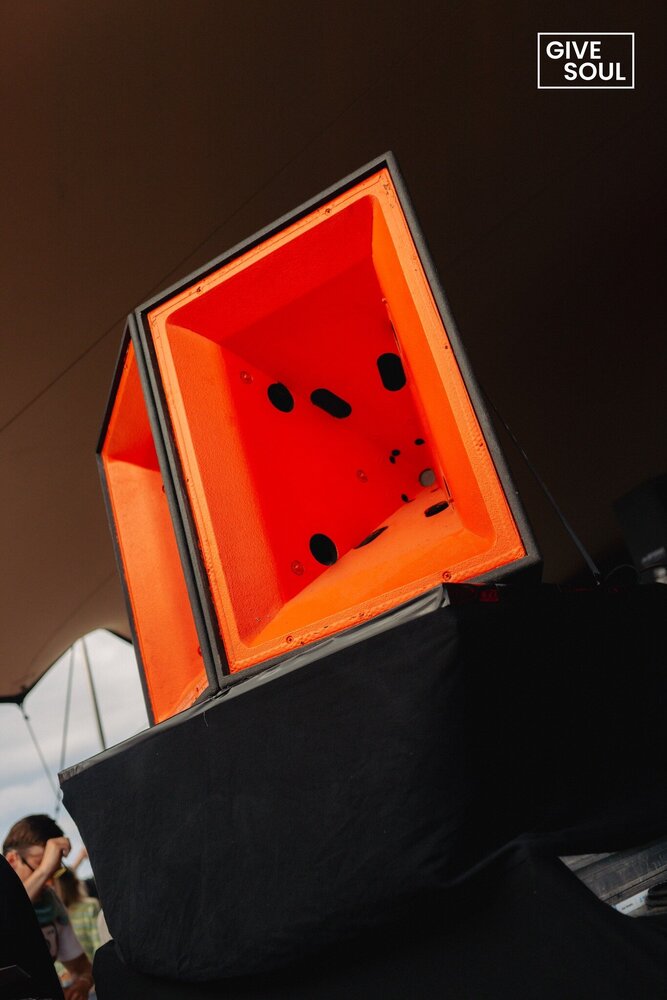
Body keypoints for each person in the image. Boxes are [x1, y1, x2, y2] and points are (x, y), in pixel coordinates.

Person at [3, 815, 94, 1000]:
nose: (51, 880)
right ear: (12, 860)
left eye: (55, 870)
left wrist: (82, 983)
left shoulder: (51, 905)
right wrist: (44, 871)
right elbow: (9, 908)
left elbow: (81, 967)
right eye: (41, 864)